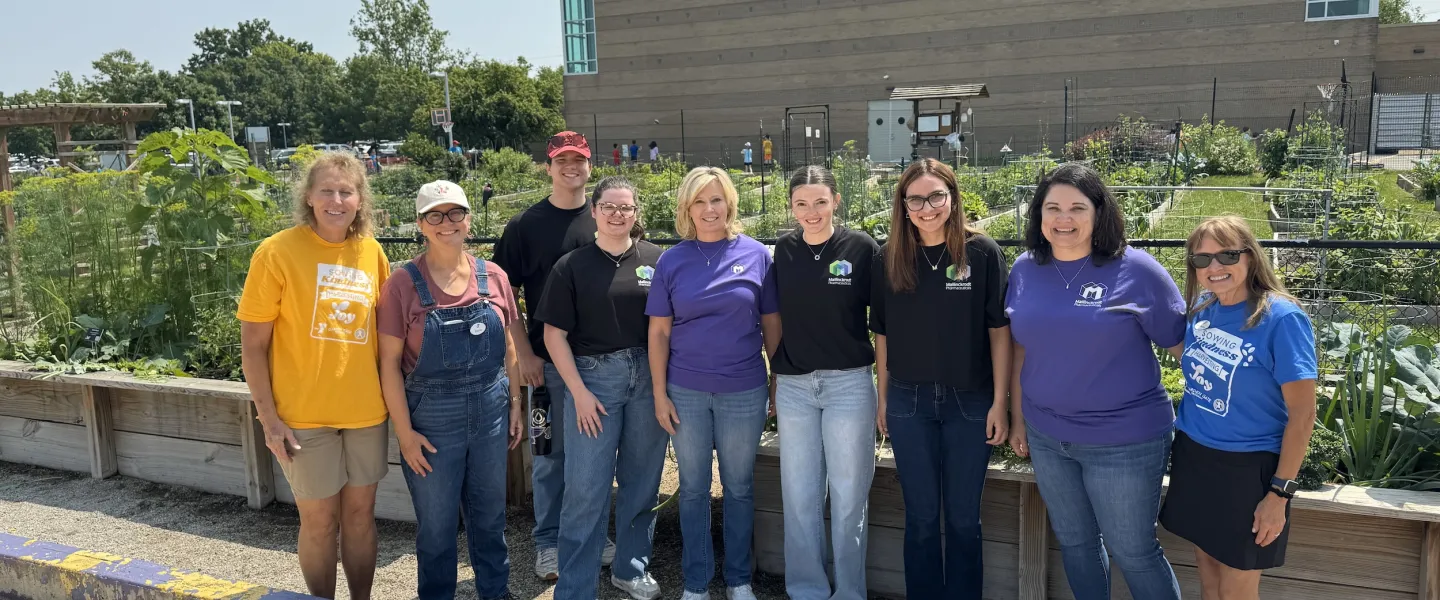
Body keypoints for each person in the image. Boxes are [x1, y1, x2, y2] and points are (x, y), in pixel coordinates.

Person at [1005, 162, 1185, 600]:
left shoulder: (1137, 270)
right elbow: (1021, 347)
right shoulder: (1026, 269)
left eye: (1076, 208)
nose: (1063, 219)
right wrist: (1017, 417)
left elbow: (1184, 349)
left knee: (1134, 550)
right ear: (1039, 215)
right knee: (1077, 544)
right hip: (1048, 436)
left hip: (1124, 441)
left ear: (1098, 213)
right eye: (1052, 208)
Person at [237, 152, 390, 600]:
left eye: (346, 191)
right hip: (304, 416)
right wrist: (269, 419)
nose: (336, 200)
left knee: (361, 516)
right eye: (327, 190)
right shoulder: (277, 252)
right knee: (320, 521)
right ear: (308, 196)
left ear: (360, 200)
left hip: (365, 410)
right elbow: (253, 346)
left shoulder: (371, 252)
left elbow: (384, 333)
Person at [376, 181, 525, 600]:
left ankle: (495, 592)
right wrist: (404, 434)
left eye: (455, 213)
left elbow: (510, 346)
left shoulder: (493, 276)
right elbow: (388, 365)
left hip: (491, 408)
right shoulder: (402, 285)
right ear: (421, 225)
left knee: (490, 517)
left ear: (469, 219)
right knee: (437, 525)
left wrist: (514, 403)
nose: (447, 223)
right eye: (435, 216)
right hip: (431, 418)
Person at [871, 158, 1010, 599]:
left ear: (952, 198)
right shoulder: (889, 257)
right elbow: (884, 334)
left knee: (965, 519)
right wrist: (883, 399)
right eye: (916, 199)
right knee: (923, 517)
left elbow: (999, 332)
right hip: (909, 403)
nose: (926, 207)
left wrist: (999, 402)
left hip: (970, 403)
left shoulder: (982, 253)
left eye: (936, 196)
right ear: (903, 204)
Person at [1160, 216, 1317, 600]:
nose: (1214, 268)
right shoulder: (1201, 307)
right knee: (1208, 571)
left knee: (1238, 586)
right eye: (1202, 260)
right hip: (1196, 456)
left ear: (1250, 257)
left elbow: (1303, 416)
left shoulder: (1280, 318)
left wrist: (1279, 494)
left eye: (1227, 255)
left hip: (1249, 469)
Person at [646, 166, 780, 600]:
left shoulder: (758, 255)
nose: (709, 209)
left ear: (730, 204)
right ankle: (696, 582)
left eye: (716, 199)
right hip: (685, 391)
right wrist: (659, 392)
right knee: (693, 489)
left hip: (743, 389)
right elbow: (660, 332)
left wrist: (777, 378)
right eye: (699, 201)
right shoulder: (671, 260)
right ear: (687, 208)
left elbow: (771, 323)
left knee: (739, 487)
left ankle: (739, 579)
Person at [540, 177, 668, 600]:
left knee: (642, 480)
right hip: (593, 379)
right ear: (594, 211)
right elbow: (553, 335)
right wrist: (577, 392)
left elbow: (667, 330)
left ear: (636, 213)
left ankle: (630, 569)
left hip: (648, 380)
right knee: (586, 486)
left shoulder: (657, 260)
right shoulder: (572, 265)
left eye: (626, 208)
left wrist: (664, 388)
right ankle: (576, 587)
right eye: (609, 207)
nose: (618, 214)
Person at [492, 131, 607, 580]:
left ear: (589, 165)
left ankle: (593, 532)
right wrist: (523, 353)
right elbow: (504, 294)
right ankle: (548, 541)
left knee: (596, 456)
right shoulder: (525, 225)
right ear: (548, 166)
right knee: (548, 454)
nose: (571, 167)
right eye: (562, 160)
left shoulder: (604, 218)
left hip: (602, 362)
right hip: (545, 364)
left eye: (578, 159)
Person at [771, 166, 881, 600]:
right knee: (799, 497)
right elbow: (774, 318)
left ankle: (850, 593)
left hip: (849, 385)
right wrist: (775, 376)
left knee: (850, 497)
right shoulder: (783, 250)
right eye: (801, 203)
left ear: (836, 200)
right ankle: (807, 590)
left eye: (820, 201)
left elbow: (885, 322)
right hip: (796, 387)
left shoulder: (862, 248)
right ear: (792, 207)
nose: (811, 211)